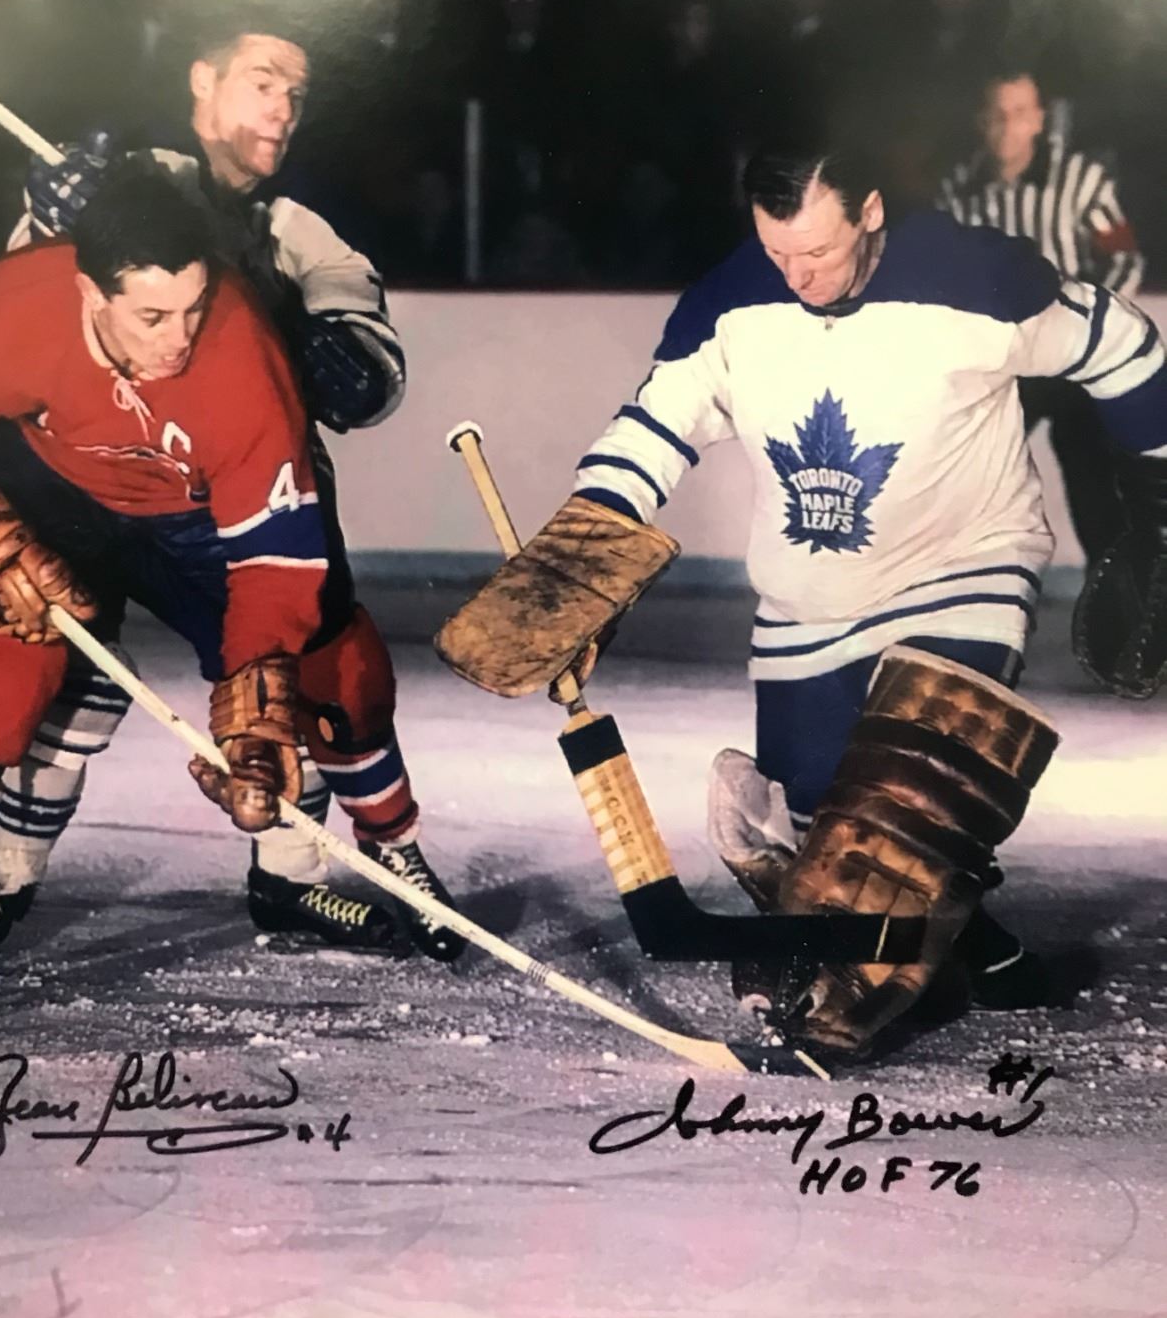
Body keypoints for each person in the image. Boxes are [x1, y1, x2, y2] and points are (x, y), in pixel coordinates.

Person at [464, 133, 1167, 1055]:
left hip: (964, 570)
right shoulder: (730, 304)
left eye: (819, 252)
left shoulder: (973, 280)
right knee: (818, 841)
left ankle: (854, 1004)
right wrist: (578, 558)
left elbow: (1124, 345)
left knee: (899, 820)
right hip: (808, 607)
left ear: (869, 211)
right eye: (777, 252)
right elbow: (653, 429)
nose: (796, 276)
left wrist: (1157, 503)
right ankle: (986, 955)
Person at [0, 24, 464, 968]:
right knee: (68, 667)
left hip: (227, 500)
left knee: (318, 672)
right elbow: (21, 296)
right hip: (91, 478)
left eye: (297, 94)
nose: (284, 109)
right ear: (203, 81)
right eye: (264, 82)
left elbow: (369, 365)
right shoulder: (125, 183)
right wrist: (49, 220)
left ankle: (317, 872)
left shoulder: (299, 231)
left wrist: (334, 354)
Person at [0, 174, 341, 1034]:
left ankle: (300, 875)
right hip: (56, 490)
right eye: (152, 317)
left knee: (311, 671)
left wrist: (255, 705)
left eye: (194, 308)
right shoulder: (7, 313)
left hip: (193, 514)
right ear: (90, 293)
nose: (180, 339)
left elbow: (276, 563)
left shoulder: (243, 356)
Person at [939, 69, 1146, 564]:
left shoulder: (1082, 181)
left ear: (1038, 120)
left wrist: (1084, 326)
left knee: (1093, 483)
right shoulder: (959, 189)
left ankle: (1116, 595)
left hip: (1073, 360)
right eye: (995, 115)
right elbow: (945, 271)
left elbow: (1124, 260)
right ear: (980, 121)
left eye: (1018, 114)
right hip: (1005, 363)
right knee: (970, 475)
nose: (1005, 126)